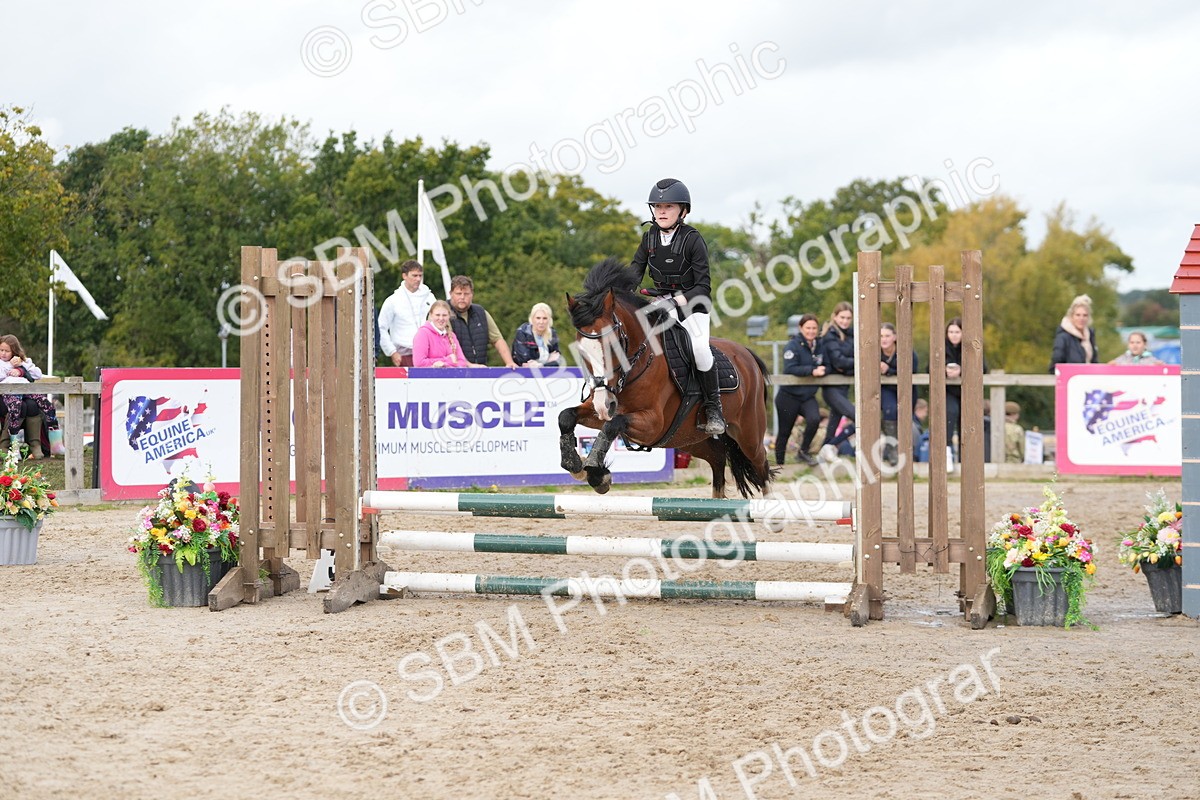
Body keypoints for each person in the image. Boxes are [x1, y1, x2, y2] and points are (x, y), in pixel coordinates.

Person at [631, 178, 724, 436]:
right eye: (657, 207)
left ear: (682, 210)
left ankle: (713, 408)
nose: (661, 211)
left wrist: (672, 302)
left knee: (700, 350)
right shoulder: (648, 237)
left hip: (692, 306)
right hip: (659, 303)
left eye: (668, 206)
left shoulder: (693, 239)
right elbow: (633, 274)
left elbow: (703, 287)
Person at [774, 314, 825, 466]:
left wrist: (824, 369)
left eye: (814, 328)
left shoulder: (820, 345)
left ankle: (803, 452)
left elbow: (827, 363)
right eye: (808, 328)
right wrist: (812, 370)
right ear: (801, 328)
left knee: (814, 419)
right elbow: (790, 368)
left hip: (808, 396)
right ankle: (779, 465)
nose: (811, 331)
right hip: (788, 396)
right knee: (784, 432)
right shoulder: (792, 345)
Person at [0, 335, 57, 460]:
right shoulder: (2, 364)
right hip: (6, 395)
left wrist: (22, 366)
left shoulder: (23, 360)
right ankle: (9, 446)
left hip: (25, 392)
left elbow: (37, 374)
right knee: (19, 407)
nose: (3, 353)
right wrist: (11, 366)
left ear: (14, 351)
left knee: (43, 405)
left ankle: (48, 443)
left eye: (7, 351)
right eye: (1, 350)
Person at [448, 275, 516, 368]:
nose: (462, 297)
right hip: (453, 372)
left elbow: (497, 339)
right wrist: (468, 365)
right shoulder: (442, 314)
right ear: (451, 294)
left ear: (472, 294)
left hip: (481, 370)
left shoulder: (481, 313)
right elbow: (448, 347)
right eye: (459, 293)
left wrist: (509, 362)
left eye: (466, 294)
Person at [944, 317, 988, 461]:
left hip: (967, 391)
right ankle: (948, 455)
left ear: (963, 333)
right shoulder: (940, 346)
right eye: (951, 332)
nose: (954, 335)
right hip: (948, 391)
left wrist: (962, 371)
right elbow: (930, 367)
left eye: (957, 331)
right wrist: (945, 370)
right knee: (950, 415)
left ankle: (967, 459)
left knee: (967, 422)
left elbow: (984, 368)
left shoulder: (972, 346)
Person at [377, 260, 435, 367]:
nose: (418, 279)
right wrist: (392, 352)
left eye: (420, 276)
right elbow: (381, 327)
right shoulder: (393, 300)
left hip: (429, 353)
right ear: (404, 276)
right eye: (414, 275)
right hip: (404, 354)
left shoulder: (430, 297)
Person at [879, 323, 919, 467]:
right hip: (886, 389)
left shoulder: (906, 351)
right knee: (890, 411)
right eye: (881, 336)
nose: (884, 339)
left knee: (906, 418)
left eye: (887, 336)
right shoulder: (874, 352)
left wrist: (888, 369)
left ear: (894, 337)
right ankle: (892, 449)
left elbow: (911, 368)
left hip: (906, 389)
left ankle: (904, 450)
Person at [819, 301, 856, 451]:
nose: (845, 321)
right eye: (842, 317)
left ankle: (825, 447)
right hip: (832, 389)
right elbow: (837, 361)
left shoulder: (851, 334)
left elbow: (844, 363)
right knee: (859, 418)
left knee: (833, 424)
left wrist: (847, 367)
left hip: (843, 386)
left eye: (848, 318)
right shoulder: (829, 335)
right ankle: (829, 446)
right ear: (835, 317)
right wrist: (857, 362)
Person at [412, 301, 474, 368]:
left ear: (449, 316)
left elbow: (462, 362)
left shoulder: (452, 336)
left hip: (451, 377)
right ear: (431, 315)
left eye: (444, 315)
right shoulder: (422, 334)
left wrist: (445, 364)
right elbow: (419, 363)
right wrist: (447, 360)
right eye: (437, 315)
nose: (441, 318)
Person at [1050, 294, 1099, 369]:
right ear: (1071, 316)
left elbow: (1094, 363)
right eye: (1078, 315)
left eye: (1085, 315)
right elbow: (1055, 364)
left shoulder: (1090, 336)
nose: (1081, 318)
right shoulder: (1063, 337)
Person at [511, 303, 561, 367]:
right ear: (532, 319)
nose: (541, 322)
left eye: (545, 318)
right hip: (523, 375)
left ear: (549, 320)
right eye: (538, 318)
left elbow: (557, 360)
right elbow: (525, 361)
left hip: (548, 374)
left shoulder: (552, 334)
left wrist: (540, 365)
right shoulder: (523, 333)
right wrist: (548, 362)